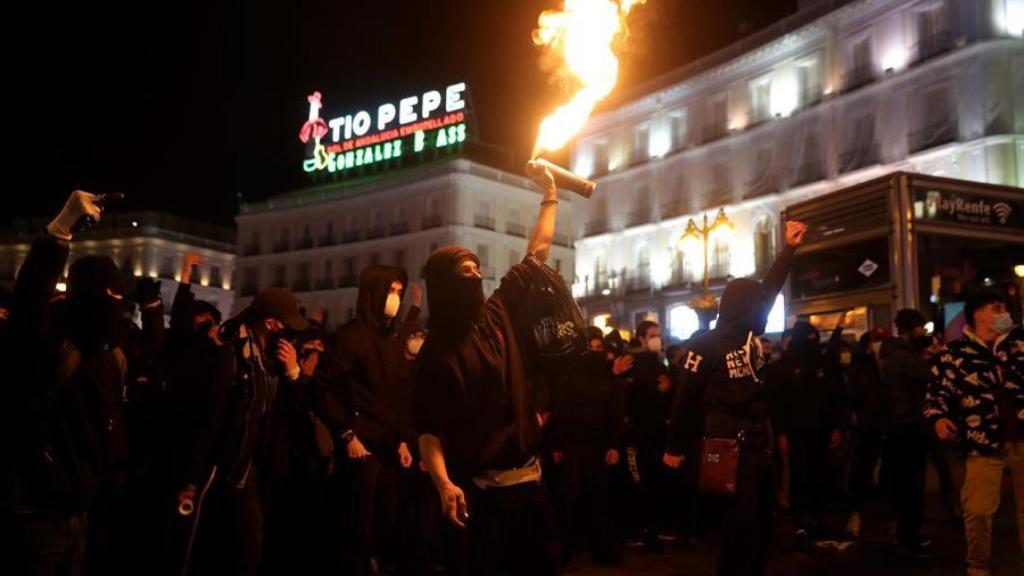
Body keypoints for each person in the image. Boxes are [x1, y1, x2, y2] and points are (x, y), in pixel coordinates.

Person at [413, 161, 564, 575]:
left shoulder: (496, 313)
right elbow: (429, 431)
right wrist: (443, 484)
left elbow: (537, 252)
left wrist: (549, 195)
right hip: (484, 495)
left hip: (532, 483)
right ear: (445, 286)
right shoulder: (436, 354)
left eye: (478, 269)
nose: (477, 276)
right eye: (466, 272)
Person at [663, 219, 807, 576]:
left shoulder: (748, 335)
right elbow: (684, 398)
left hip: (758, 444)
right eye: (755, 302)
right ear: (742, 307)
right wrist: (674, 448)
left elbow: (770, 290)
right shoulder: (705, 345)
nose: (763, 306)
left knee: (760, 525)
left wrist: (788, 250)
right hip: (726, 447)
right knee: (738, 527)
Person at [4, 191, 128, 576]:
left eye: (119, 294)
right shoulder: (49, 342)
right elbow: (30, 298)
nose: (115, 301)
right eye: (106, 293)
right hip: (32, 512)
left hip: (79, 512)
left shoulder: (109, 355)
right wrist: (59, 231)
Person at [175, 286, 309, 576]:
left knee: (244, 549)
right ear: (271, 324)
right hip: (232, 468)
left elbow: (292, 412)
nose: (289, 333)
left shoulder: (272, 359)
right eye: (286, 325)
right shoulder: (232, 355)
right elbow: (211, 419)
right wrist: (192, 479)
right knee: (244, 549)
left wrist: (294, 372)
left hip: (261, 467)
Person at [311, 265, 415, 575]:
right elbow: (321, 389)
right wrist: (346, 434)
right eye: (390, 291)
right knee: (357, 525)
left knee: (386, 519)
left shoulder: (393, 340)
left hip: (387, 448)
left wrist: (401, 440)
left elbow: (392, 396)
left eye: (399, 292)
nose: (395, 298)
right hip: (359, 448)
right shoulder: (350, 337)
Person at [925, 290, 1024, 576]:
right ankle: (978, 567)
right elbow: (936, 395)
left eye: (1005, 307)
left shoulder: (1020, 346)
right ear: (978, 315)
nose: (1004, 311)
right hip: (982, 444)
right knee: (978, 510)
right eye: (996, 307)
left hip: (1022, 439)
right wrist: (939, 419)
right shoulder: (955, 354)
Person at [548, 327, 626, 567]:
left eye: (598, 348)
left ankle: (600, 548)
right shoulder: (568, 374)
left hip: (599, 446)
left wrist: (614, 445)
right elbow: (560, 410)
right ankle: (566, 551)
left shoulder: (607, 375)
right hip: (573, 446)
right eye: (590, 348)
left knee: (599, 500)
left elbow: (615, 411)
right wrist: (558, 445)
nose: (594, 352)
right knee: (570, 499)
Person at [767, 320, 842, 548]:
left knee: (819, 474)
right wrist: (781, 433)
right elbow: (778, 403)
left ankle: (816, 518)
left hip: (820, 430)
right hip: (796, 431)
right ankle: (800, 522)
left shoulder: (823, 363)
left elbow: (834, 396)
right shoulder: (785, 366)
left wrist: (835, 426)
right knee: (799, 476)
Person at [878, 308, 936, 556]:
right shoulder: (906, 357)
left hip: (897, 427)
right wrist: (933, 357)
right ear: (910, 330)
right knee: (911, 484)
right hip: (909, 427)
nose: (924, 332)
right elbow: (927, 377)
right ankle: (908, 537)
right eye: (921, 328)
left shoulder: (891, 354)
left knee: (902, 484)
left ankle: (904, 532)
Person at [621, 320, 672, 551]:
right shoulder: (632, 362)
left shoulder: (658, 361)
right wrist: (656, 389)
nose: (656, 339)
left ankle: (653, 528)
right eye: (652, 335)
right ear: (641, 338)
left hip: (655, 431)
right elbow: (631, 395)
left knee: (655, 480)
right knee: (637, 482)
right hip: (636, 433)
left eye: (658, 335)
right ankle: (636, 529)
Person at [844, 328, 887, 538]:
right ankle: (855, 511)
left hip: (886, 423)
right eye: (876, 340)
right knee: (862, 468)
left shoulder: (889, 363)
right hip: (866, 424)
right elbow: (853, 394)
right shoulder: (861, 365)